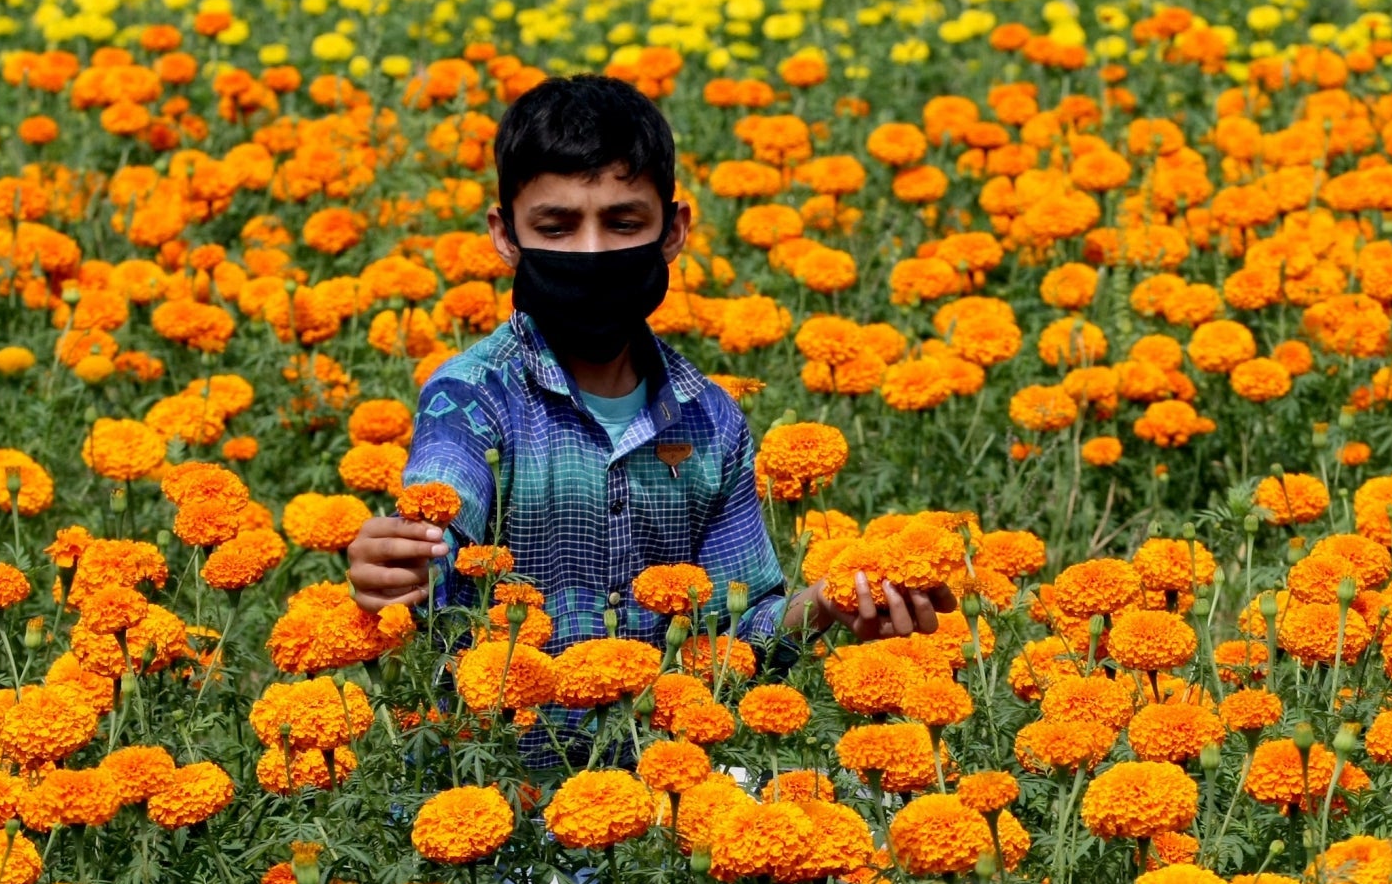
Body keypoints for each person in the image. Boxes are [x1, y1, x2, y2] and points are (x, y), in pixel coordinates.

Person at [345, 75, 950, 725]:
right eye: (556, 225)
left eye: (623, 221)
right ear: (505, 235)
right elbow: (439, 497)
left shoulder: (710, 419)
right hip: (498, 774)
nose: (593, 251)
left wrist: (835, 602)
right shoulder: (472, 397)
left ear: (673, 229)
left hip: (662, 777)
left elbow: (739, 633)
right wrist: (394, 556)